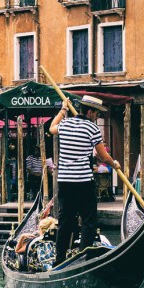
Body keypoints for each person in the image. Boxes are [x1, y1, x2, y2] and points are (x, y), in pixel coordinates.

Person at [50, 95, 119, 259]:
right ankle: (84, 256)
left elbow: (52, 127)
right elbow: (103, 156)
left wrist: (63, 109)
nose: (97, 117)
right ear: (89, 112)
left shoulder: (65, 124)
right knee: (89, 221)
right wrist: (115, 164)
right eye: (97, 114)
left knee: (65, 222)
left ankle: (59, 259)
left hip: (65, 182)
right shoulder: (92, 129)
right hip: (83, 182)